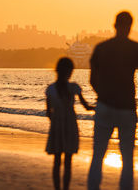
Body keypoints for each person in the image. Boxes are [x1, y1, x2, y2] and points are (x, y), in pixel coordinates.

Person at [87, 11, 138, 190]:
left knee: (98, 154)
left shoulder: (101, 48)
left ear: (114, 25)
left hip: (105, 105)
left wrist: (104, 94)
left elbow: (92, 79)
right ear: (130, 26)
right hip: (127, 107)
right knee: (127, 157)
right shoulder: (137, 49)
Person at [45, 57, 95, 190]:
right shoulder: (73, 87)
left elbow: (48, 112)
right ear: (69, 71)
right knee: (68, 162)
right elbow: (86, 107)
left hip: (56, 126)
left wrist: (56, 122)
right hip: (70, 126)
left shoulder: (50, 89)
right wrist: (100, 107)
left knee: (56, 162)